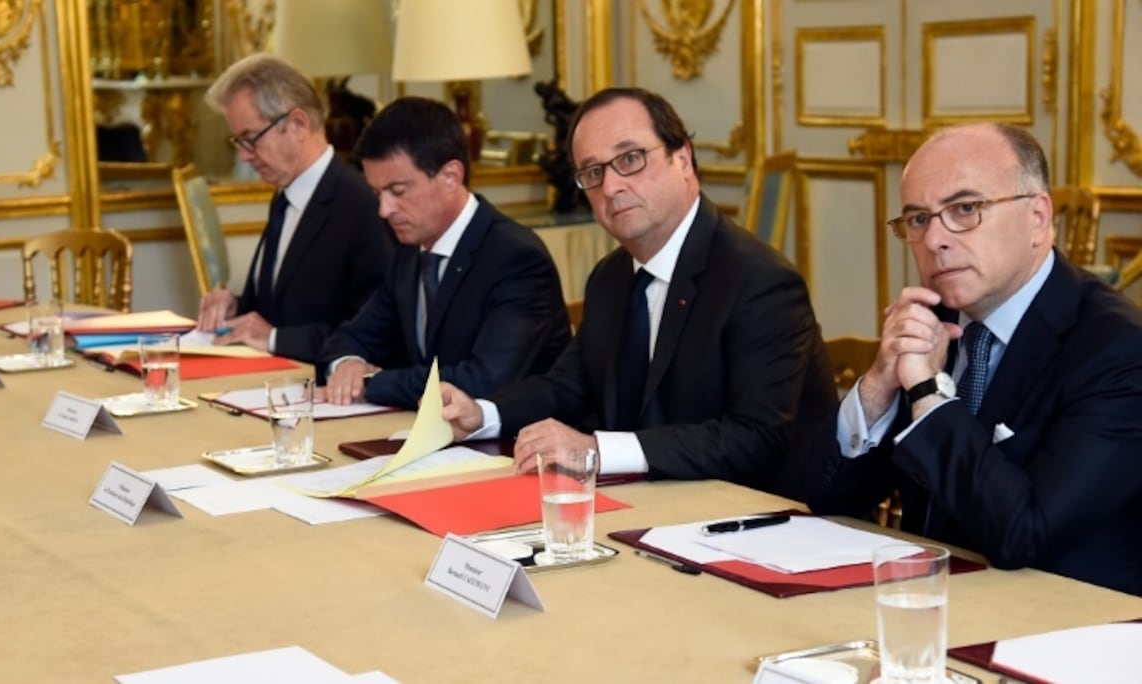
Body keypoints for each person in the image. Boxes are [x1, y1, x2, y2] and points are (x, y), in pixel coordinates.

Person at [440, 87, 835, 496]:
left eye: (629, 159)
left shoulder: (759, 281)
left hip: (761, 520)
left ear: (682, 159)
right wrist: (481, 414)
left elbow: (755, 439)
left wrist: (597, 450)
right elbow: (568, 385)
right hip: (653, 505)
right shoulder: (610, 277)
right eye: (593, 172)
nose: (610, 187)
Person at [803, 122, 1142, 596]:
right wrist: (879, 385)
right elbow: (819, 499)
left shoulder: (1118, 349)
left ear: (1038, 217)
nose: (935, 240)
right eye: (919, 219)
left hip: (1059, 635)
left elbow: (1023, 534)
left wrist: (926, 392)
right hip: (930, 611)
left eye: (965, 209)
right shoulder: (932, 320)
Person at [318, 97, 571, 409]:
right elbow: (351, 336)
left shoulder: (516, 258)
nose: (384, 210)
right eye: (377, 194)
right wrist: (347, 365)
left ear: (451, 177)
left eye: (398, 192)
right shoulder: (410, 252)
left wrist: (373, 382)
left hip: (515, 445)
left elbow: (484, 381)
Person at [197, 53, 393, 362]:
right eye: (238, 142)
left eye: (251, 139)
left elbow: (380, 334)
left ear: (299, 124)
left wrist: (274, 338)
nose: (245, 156)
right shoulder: (285, 195)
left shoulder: (362, 206)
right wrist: (238, 307)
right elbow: (285, 307)